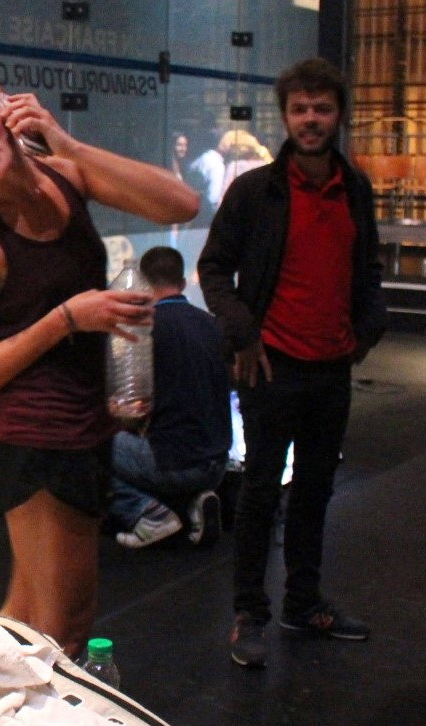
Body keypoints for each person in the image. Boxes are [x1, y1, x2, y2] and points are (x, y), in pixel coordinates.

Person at [0, 36, 199, 658]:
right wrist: (67, 318)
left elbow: (180, 202)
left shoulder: (64, 174)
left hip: (85, 423)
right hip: (30, 435)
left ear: (1, 101)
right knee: (59, 629)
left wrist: (66, 142)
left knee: (32, 617)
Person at [197, 57, 388, 669]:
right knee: (260, 492)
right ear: (284, 116)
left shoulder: (354, 188)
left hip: (332, 369)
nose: (311, 119)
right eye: (300, 109)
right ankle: (249, 614)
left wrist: (367, 330)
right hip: (271, 368)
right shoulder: (256, 191)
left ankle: (302, 603)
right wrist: (242, 332)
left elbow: (369, 268)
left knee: (314, 490)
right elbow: (213, 268)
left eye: (322, 108)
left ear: (338, 115)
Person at [107, 246, 231, 549]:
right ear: (183, 282)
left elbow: (132, 405)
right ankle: (194, 502)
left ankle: (146, 513)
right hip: (218, 464)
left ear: (143, 285)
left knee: (89, 444)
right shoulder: (211, 323)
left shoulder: (146, 329)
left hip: (175, 463)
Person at [186, 126, 226, 227]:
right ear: (220, 144)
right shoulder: (217, 165)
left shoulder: (198, 160)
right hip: (205, 219)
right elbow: (213, 197)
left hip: (191, 212)